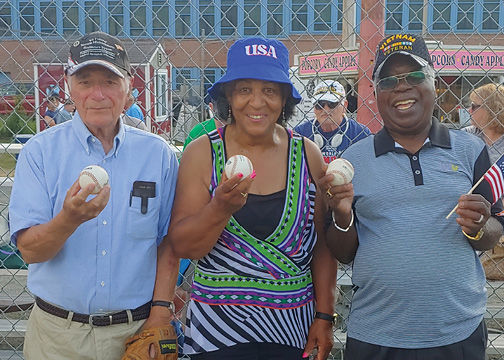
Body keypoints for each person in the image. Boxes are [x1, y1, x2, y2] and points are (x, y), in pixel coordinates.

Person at [322, 33, 504, 360]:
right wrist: (343, 215)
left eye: (415, 76)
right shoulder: (352, 160)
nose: (402, 86)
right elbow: (343, 253)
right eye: (388, 80)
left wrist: (479, 225)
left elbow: (492, 230)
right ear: (376, 94)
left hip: (457, 331)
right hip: (376, 334)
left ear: (434, 83)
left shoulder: (471, 150)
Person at [162, 37, 338, 359]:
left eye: (269, 90)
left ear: (285, 97)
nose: (256, 102)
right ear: (228, 96)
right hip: (217, 330)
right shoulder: (202, 153)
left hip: (290, 328)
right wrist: (220, 208)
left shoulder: (308, 154)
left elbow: (322, 244)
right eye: (244, 89)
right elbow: (185, 246)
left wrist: (325, 316)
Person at [9, 31, 180, 360]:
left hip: (136, 330)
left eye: (110, 81)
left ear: (129, 86)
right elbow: (29, 250)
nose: (97, 94)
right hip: (58, 336)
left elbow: (168, 242)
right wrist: (69, 219)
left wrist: (160, 311)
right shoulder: (40, 153)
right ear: (69, 86)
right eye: (85, 81)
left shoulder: (157, 155)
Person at [464, 83, 504, 280]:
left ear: (492, 109)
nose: (468, 110)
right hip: (475, 209)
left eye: (474, 106)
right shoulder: (467, 136)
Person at [294, 80, 371, 163]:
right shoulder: (300, 134)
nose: (325, 109)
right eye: (320, 104)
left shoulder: (360, 133)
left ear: (344, 106)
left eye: (332, 104)